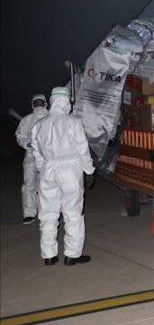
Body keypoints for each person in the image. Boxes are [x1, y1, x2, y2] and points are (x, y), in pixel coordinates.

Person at [31, 87, 95, 265]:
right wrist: (89, 170)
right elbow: (83, 149)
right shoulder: (73, 122)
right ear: (67, 101)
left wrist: (43, 169)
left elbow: (36, 153)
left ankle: (49, 255)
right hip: (70, 170)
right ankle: (72, 254)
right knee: (73, 212)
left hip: (48, 170)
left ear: (52, 101)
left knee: (47, 213)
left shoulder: (39, 125)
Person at [14, 94, 48, 224]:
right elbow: (20, 135)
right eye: (36, 103)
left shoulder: (51, 118)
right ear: (32, 104)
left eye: (41, 102)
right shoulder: (26, 120)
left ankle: (46, 211)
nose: (39, 105)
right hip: (31, 156)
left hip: (47, 157)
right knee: (29, 184)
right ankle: (29, 213)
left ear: (46, 104)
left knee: (47, 184)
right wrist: (27, 144)